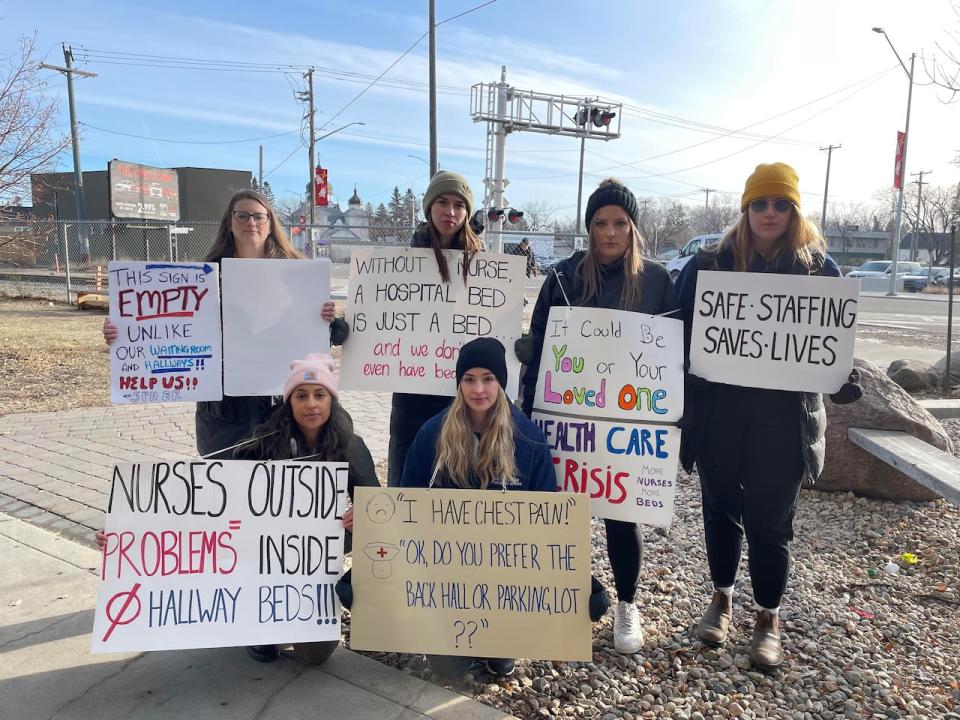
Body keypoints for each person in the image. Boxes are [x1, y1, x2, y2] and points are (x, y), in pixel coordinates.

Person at [675, 162, 862, 670]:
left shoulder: (818, 270)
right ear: (746, 208)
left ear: (795, 210)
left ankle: (768, 615)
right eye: (760, 203)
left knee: (770, 520)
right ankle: (722, 595)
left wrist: (840, 378)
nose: (770, 212)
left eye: (781, 204)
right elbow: (674, 332)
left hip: (783, 420)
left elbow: (831, 344)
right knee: (719, 510)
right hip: (717, 415)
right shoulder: (709, 265)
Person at [338, 337, 607, 678]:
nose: (478, 389)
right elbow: (405, 506)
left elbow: (550, 526)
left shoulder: (528, 438)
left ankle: (502, 639)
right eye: (469, 379)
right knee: (448, 668)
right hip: (442, 572)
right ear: (459, 383)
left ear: (501, 382)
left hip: (508, 576)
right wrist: (366, 556)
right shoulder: (432, 434)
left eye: (488, 379)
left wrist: (583, 581)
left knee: (500, 659)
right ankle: (449, 636)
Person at [96, 352, 378, 666]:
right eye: (301, 395)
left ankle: (307, 610)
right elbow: (208, 501)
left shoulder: (352, 447)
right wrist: (126, 531)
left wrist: (362, 519)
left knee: (316, 655)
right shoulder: (262, 444)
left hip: (314, 558)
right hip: (262, 558)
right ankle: (257, 626)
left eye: (319, 395)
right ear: (289, 402)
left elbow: (380, 512)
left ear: (331, 400)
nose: (311, 404)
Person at [519, 177, 678, 656]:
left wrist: (670, 419)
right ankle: (565, 597)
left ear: (633, 228)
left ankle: (628, 603)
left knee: (620, 515)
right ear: (589, 228)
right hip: (566, 420)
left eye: (620, 223)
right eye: (601, 223)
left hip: (626, 425)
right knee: (560, 513)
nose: (610, 233)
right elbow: (540, 342)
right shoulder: (563, 278)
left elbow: (671, 356)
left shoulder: (656, 280)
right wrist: (529, 405)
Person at [102, 189, 344, 458]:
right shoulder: (203, 276)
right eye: (242, 216)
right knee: (228, 485)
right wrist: (124, 332)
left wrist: (325, 321)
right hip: (224, 410)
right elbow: (168, 328)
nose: (250, 222)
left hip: (280, 404)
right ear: (229, 223)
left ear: (270, 223)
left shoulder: (298, 272)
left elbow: (312, 340)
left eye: (258, 216)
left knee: (278, 490)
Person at [386, 170, 484, 486]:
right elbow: (384, 316)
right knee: (409, 473)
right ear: (429, 207)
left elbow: (495, 323)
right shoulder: (405, 260)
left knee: (459, 475)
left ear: (468, 212)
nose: (450, 212)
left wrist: (517, 344)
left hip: (464, 390)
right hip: (412, 387)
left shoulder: (485, 266)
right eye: (442, 202)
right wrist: (352, 330)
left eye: (459, 204)